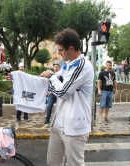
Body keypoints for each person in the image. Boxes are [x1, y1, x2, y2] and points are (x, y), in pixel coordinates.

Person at [40, 28, 94, 166]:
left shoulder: (83, 66)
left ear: (71, 48)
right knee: (53, 162)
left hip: (74, 127)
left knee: (74, 164)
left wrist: (51, 75)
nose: (58, 53)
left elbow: (62, 92)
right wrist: (20, 78)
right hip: (58, 124)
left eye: (61, 50)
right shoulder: (67, 65)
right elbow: (52, 80)